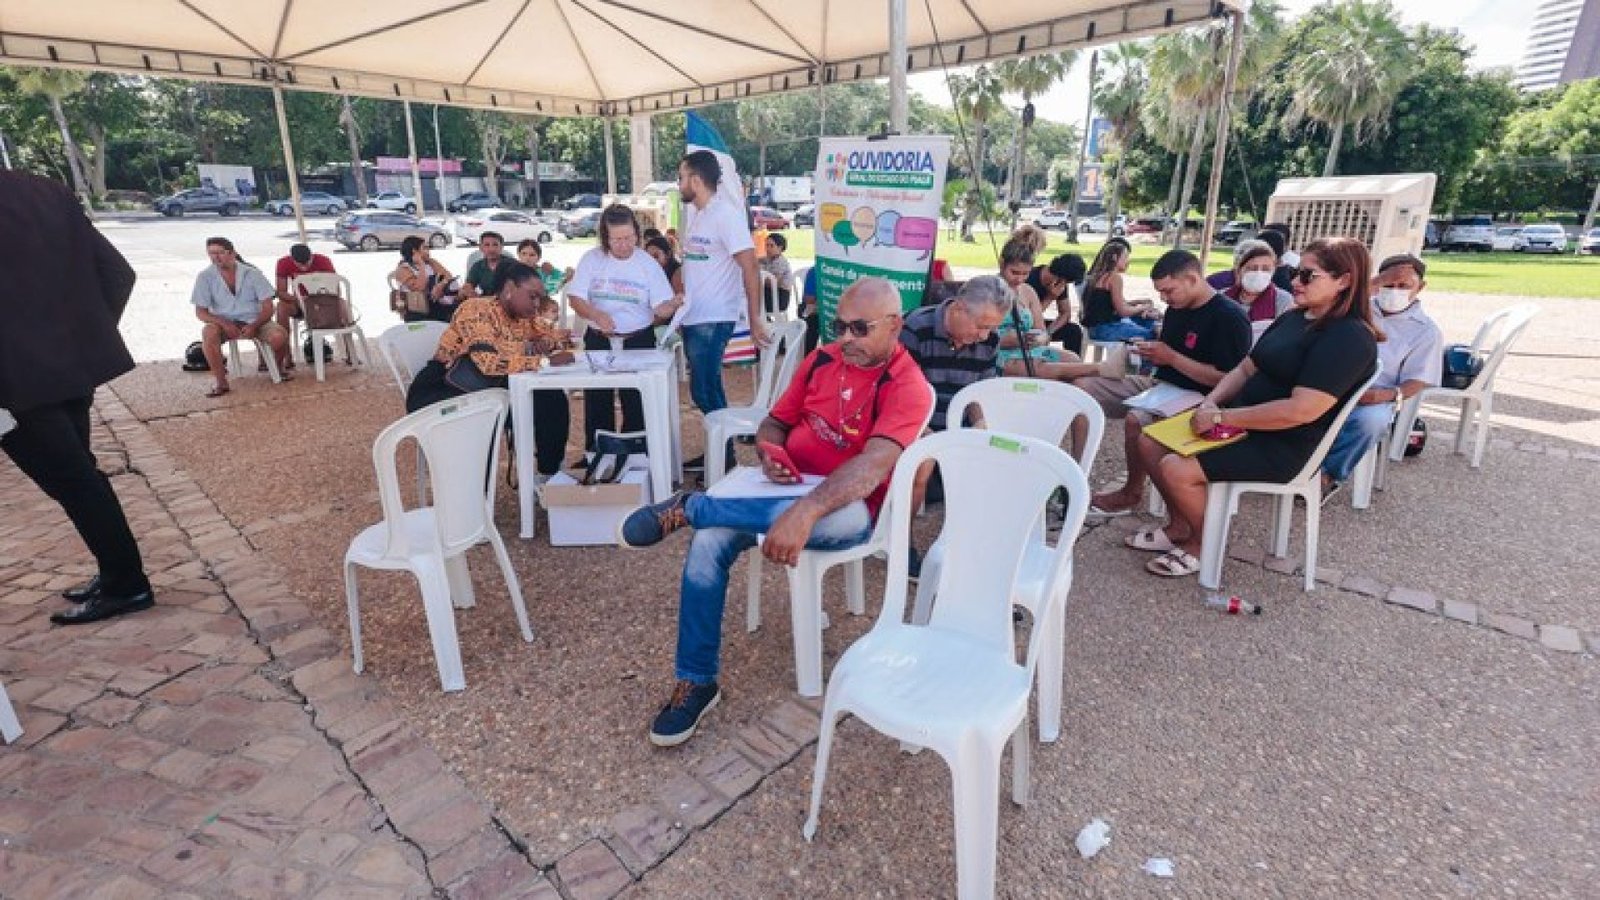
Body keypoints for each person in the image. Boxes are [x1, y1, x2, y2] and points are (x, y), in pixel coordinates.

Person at [616, 277, 933, 747]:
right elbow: (775, 422)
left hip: (850, 507)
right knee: (707, 542)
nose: (845, 338)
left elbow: (871, 468)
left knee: (712, 521)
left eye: (859, 329)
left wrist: (805, 511)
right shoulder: (822, 360)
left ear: (895, 326)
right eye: (838, 326)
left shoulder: (909, 386)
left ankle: (694, 506)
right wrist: (769, 452)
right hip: (780, 491)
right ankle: (697, 681)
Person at [1134, 237, 1381, 578]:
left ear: (1345, 280)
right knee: (1149, 440)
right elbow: (1246, 367)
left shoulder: (1349, 338)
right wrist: (1211, 402)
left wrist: (1222, 416)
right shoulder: (1296, 317)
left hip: (1282, 443)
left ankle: (1204, 543)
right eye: (1295, 272)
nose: (1295, 281)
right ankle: (1180, 525)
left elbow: (1300, 411)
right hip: (1240, 424)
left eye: (1308, 275)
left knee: (1178, 468)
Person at [0, 171, 153, 625]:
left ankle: (128, 584)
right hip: (68, 370)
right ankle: (115, 573)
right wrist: (84, 339)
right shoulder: (43, 189)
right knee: (80, 480)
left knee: (76, 484)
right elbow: (117, 273)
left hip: (16, 381)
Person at [1074, 249, 1253, 516]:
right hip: (1160, 386)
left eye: (1168, 291)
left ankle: (1131, 492)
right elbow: (1168, 356)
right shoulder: (1176, 309)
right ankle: (1074, 474)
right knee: (1082, 389)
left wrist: (1171, 357)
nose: (1163, 298)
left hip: (1203, 398)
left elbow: (1229, 379)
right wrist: (1148, 353)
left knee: (1137, 419)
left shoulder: (1229, 317)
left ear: (1192, 279)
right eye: (1160, 292)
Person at [404, 263, 577, 479]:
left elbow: (555, 335)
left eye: (539, 299)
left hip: (485, 391)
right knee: (530, 406)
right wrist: (543, 361)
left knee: (552, 400)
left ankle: (548, 477)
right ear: (509, 288)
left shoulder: (522, 318)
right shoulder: (477, 309)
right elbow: (487, 362)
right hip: (443, 391)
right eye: (532, 296)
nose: (536, 304)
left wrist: (546, 343)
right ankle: (471, 496)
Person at [898, 275, 1013, 568]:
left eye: (992, 328)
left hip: (956, 428)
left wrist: (982, 424)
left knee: (1002, 456)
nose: (985, 336)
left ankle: (969, 547)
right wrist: (927, 433)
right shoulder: (915, 327)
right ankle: (900, 541)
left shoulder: (990, 341)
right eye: (982, 326)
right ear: (959, 309)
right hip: (915, 421)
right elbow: (900, 395)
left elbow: (980, 394)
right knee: (922, 461)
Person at [1320, 253, 1443, 497]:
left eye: (1404, 285)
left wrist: (1383, 396)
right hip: (1330, 384)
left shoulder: (1426, 332)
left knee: (1370, 422)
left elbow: (1416, 380)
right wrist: (1376, 282)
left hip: (1377, 393)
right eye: (1389, 284)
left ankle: (1329, 475)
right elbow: (1325, 300)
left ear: (1420, 288)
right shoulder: (1357, 306)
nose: (1394, 291)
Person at [567, 205, 683, 450]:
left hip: (637, 339)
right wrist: (596, 315)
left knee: (637, 400)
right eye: (616, 240)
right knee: (598, 400)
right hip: (599, 338)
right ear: (605, 237)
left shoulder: (647, 264)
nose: (623, 245)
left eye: (629, 238)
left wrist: (672, 304)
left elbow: (660, 307)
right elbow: (576, 299)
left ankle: (635, 455)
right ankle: (598, 455)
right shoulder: (592, 259)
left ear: (637, 234)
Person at [677, 150, 766, 469]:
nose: (679, 184)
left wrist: (754, 318)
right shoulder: (699, 214)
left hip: (715, 317)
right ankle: (719, 453)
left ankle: (724, 459)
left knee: (704, 390)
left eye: (682, 177)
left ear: (696, 180)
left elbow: (750, 266)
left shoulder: (725, 215)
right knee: (706, 388)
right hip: (695, 315)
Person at [994, 227, 1126, 384]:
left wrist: (1041, 337)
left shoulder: (1028, 291)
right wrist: (1007, 339)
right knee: (1042, 367)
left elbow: (1043, 327)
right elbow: (981, 336)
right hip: (999, 352)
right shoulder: (990, 289)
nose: (1020, 279)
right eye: (1014, 273)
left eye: (1025, 274)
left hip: (1027, 347)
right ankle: (1101, 368)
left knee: (1073, 358)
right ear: (1002, 264)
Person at [192, 236, 290, 397]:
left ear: (232, 253)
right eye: (211, 253)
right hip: (222, 321)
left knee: (279, 336)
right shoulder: (205, 277)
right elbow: (201, 312)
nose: (215, 257)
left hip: (254, 319)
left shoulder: (252, 273)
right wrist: (224, 323)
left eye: (220, 253)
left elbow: (268, 307)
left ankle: (278, 367)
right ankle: (221, 382)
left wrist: (255, 325)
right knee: (208, 333)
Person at [1081, 240, 1159, 342]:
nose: (1128, 261)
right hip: (1105, 329)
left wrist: (1138, 303)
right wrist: (1143, 307)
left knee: (1149, 321)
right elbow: (1123, 311)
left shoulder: (1098, 275)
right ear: (1114, 257)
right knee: (1154, 335)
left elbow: (1112, 304)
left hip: (1095, 328)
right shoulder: (1114, 277)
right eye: (1125, 257)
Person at [273, 242, 337, 349]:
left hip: (323, 302)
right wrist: (298, 299)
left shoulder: (323, 261)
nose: (304, 267)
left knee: (343, 306)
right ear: (292, 259)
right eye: (300, 264)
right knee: (281, 307)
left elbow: (335, 286)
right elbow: (281, 292)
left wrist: (317, 300)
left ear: (312, 256)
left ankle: (350, 353)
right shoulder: (283, 263)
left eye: (307, 263)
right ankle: (286, 355)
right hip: (299, 303)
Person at [1028, 252, 1087, 356]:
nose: (1065, 285)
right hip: (1025, 324)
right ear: (1060, 277)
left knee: (1074, 331)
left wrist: (1049, 332)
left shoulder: (1060, 283)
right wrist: (1050, 298)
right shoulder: (1030, 278)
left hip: (1041, 325)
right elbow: (1027, 317)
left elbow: (1065, 314)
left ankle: (1072, 367)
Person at [1223, 239, 1295, 324]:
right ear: (1239, 270)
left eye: (1266, 269)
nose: (1259, 273)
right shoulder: (1224, 297)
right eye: (1253, 268)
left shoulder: (1282, 300)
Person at [393, 236, 457, 323]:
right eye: (425, 248)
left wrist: (440, 285)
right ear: (414, 251)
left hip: (436, 301)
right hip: (416, 308)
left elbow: (448, 276)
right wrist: (421, 264)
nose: (428, 251)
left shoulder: (431, 262)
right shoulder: (403, 269)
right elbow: (420, 287)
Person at [460, 231, 514, 300]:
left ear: (501, 247)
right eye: (487, 245)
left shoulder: (512, 265)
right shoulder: (477, 266)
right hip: (485, 303)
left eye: (495, 245)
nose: (491, 249)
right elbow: (468, 286)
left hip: (508, 303)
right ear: (481, 248)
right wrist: (468, 291)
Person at [759, 232, 794, 313]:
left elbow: (773, 284)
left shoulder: (780, 262)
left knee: (753, 296)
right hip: (770, 295)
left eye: (771, 246)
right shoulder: (768, 259)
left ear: (780, 248)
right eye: (766, 245)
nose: (768, 248)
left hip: (779, 298)